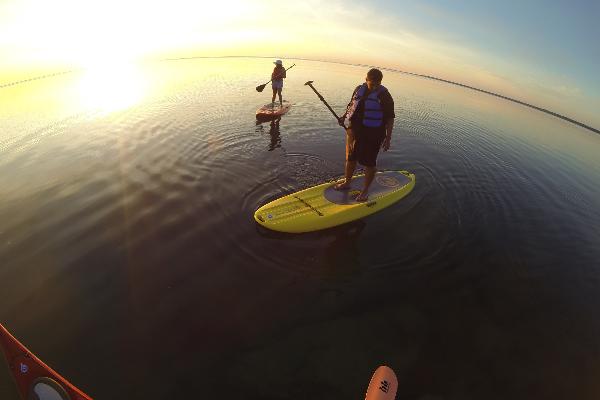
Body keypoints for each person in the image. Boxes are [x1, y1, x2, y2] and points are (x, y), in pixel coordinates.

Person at [334, 68, 395, 201]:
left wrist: (388, 138)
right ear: (366, 79)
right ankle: (347, 182)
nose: (374, 87)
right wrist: (343, 117)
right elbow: (351, 105)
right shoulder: (358, 89)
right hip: (354, 131)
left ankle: (365, 191)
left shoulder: (385, 96)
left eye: (377, 84)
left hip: (374, 134)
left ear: (381, 82)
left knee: (369, 163)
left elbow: (390, 118)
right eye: (371, 83)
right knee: (351, 158)